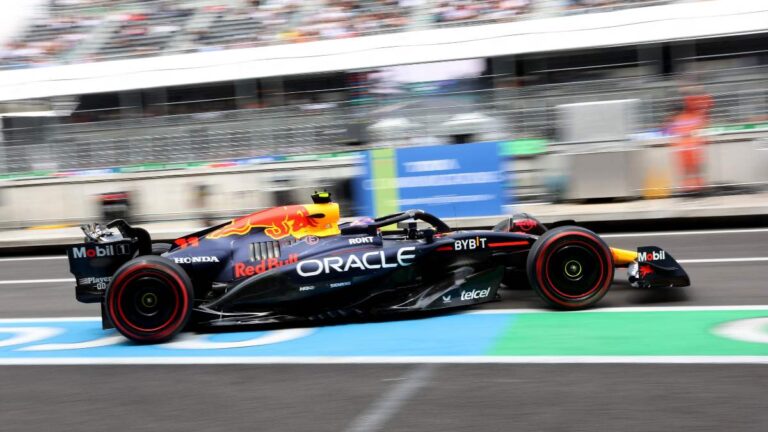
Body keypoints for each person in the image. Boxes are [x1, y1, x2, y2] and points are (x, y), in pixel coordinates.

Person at [667, 86, 712, 195]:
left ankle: (691, 188)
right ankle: (694, 188)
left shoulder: (681, 118)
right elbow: (669, 131)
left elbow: (669, 132)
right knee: (694, 170)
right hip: (690, 148)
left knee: (690, 170)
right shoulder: (688, 117)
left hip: (687, 148)